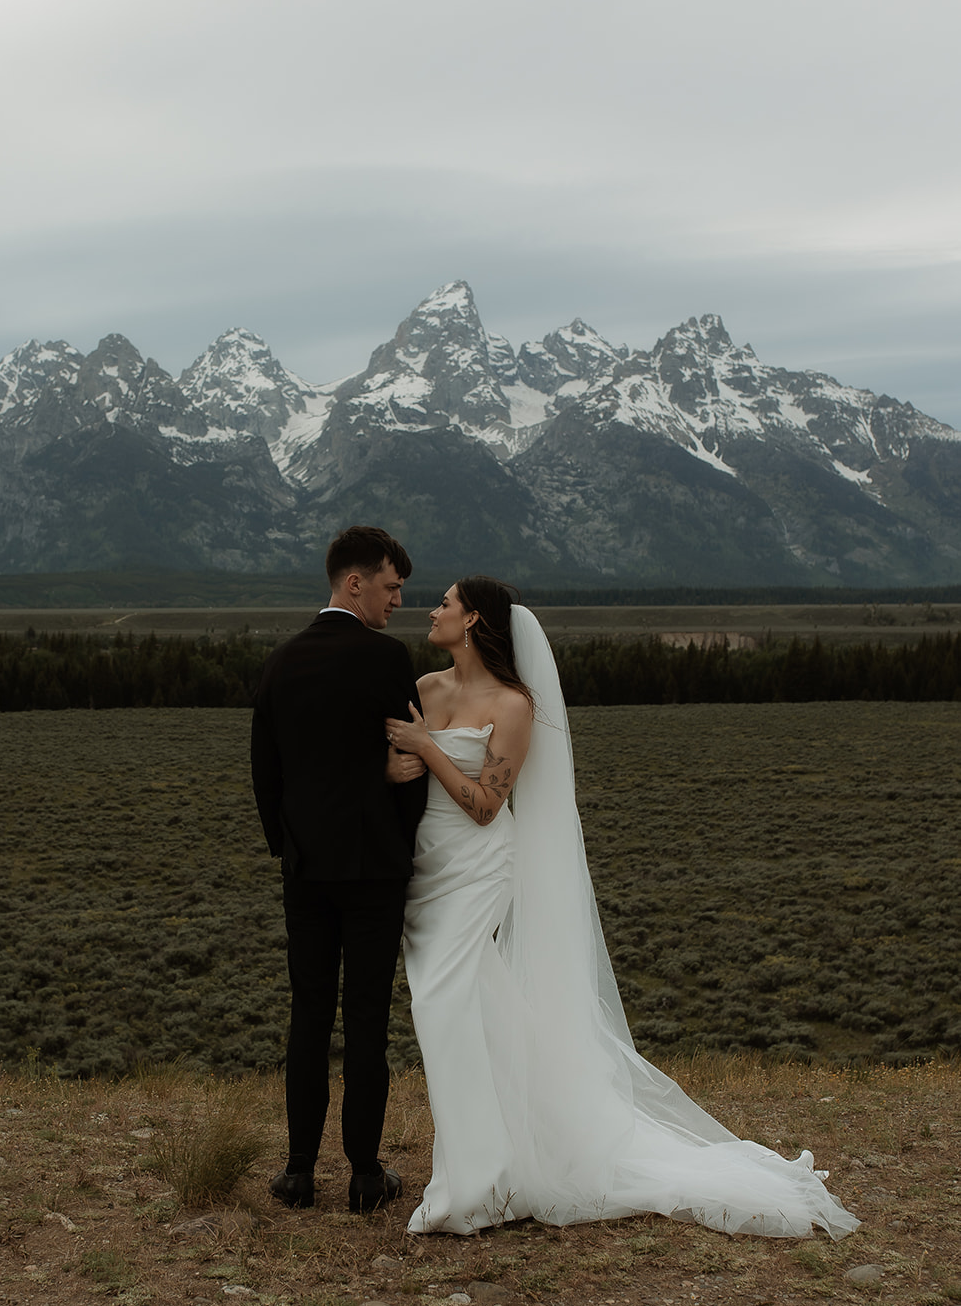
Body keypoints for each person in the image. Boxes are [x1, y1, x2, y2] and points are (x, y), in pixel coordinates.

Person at [386, 577, 859, 1239]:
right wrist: (399, 763)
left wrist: (427, 750)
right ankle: (512, 1146)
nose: (431, 611)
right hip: (424, 869)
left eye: (444, 603)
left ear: (472, 622)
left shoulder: (512, 705)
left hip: (475, 868)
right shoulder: (428, 687)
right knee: (471, 1009)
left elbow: (487, 805)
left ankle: (474, 1183)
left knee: (440, 1007)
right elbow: (396, 763)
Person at [251, 526, 427, 1214]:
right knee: (366, 1020)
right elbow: (407, 764)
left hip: (305, 869)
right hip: (375, 869)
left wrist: (287, 847)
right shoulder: (387, 659)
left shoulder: (280, 662)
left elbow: (266, 773)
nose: (397, 602)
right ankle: (362, 1175)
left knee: (307, 1014)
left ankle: (296, 1174)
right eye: (389, 587)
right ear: (353, 583)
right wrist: (395, 833)